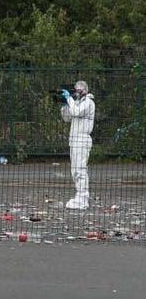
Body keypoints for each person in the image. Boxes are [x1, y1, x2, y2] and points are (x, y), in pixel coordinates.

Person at [60, 80, 95, 210]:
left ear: (85, 90)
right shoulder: (77, 103)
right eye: (76, 90)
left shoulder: (88, 102)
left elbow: (76, 112)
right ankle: (79, 195)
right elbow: (67, 117)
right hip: (74, 139)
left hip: (82, 138)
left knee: (80, 169)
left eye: (79, 90)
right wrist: (65, 104)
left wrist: (69, 99)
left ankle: (83, 198)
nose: (77, 92)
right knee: (75, 170)